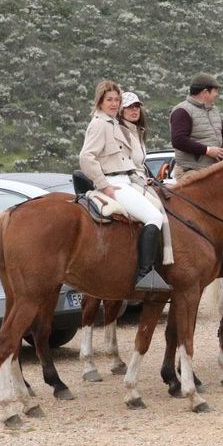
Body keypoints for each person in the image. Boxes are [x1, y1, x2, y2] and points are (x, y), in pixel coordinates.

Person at [80, 80, 171, 291]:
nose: (113, 104)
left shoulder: (112, 123)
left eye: (116, 100)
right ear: (100, 102)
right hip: (113, 183)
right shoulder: (100, 124)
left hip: (127, 180)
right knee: (154, 217)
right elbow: (86, 157)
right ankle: (144, 274)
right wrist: (104, 186)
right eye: (109, 100)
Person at [170, 73, 223, 178]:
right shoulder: (182, 111)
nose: (217, 95)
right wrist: (208, 151)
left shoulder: (214, 111)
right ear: (205, 92)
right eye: (215, 91)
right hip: (191, 171)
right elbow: (178, 140)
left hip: (214, 169)